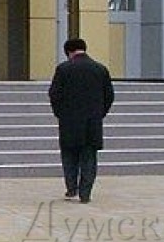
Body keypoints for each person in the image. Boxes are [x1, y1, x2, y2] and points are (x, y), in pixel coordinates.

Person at [48, 37, 115, 204]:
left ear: (69, 52)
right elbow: (109, 96)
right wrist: (100, 113)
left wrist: (60, 113)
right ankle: (85, 193)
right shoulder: (100, 69)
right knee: (89, 157)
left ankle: (71, 189)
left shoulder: (63, 69)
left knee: (69, 155)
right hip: (92, 122)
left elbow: (54, 94)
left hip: (69, 121)